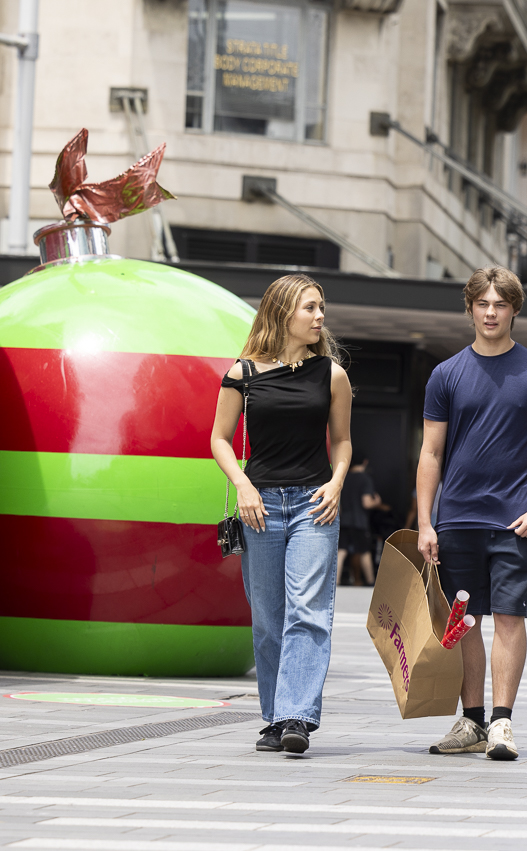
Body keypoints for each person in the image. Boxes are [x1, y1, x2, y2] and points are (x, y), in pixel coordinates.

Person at [417, 267, 527, 762]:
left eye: (500, 304)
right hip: (458, 519)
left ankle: (502, 722)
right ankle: (472, 720)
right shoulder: (445, 374)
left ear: (514, 309)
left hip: (517, 520)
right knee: (466, 620)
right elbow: (431, 454)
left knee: (508, 615)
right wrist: (425, 521)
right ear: (469, 308)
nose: (490, 312)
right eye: (482, 303)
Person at [211, 274, 353, 756]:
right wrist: (243, 484)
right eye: (310, 308)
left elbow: (343, 441)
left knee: (308, 611)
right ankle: (274, 718)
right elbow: (219, 439)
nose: (319, 317)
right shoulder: (242, 373)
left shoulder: (331, 374)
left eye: (321, 309)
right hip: (260, 507)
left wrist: (335, 483)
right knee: (269, 618)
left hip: (315, 503)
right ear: (283, 312)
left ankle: (297, 716)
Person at [337, 452, 380, 586]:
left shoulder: (344, 478)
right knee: (364, 551)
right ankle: (370, 582)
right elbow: (366, 502)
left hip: (344, 520)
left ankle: (335, 582)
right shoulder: (365, 479)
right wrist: (377, 502)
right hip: (359, 521)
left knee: (341, 551)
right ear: (365, 462)